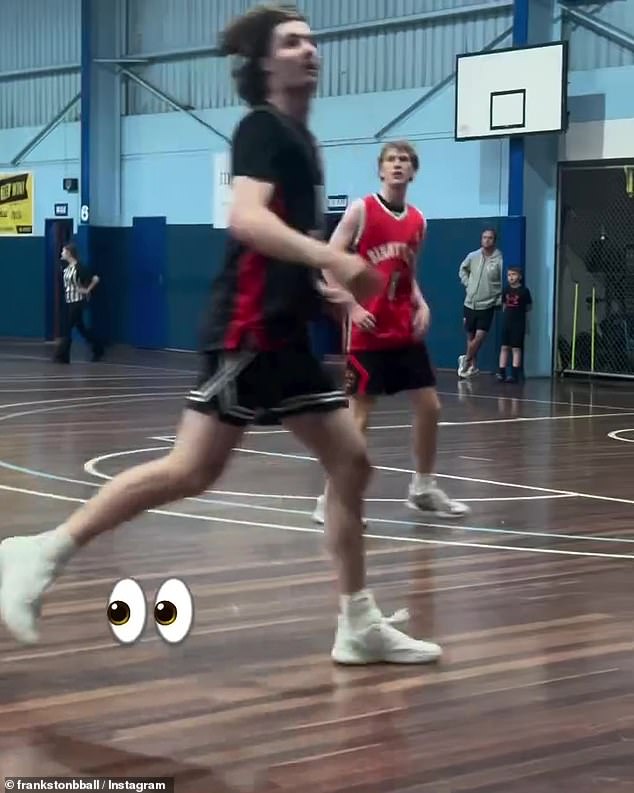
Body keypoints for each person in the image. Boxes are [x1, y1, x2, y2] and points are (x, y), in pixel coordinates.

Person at [0, 5, 440, 665]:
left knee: (351, 462)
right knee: (190, 470)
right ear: (265, 63)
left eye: (313, 40)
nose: (309, 50)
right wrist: (332, 260)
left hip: (287, 336)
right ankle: (38, 552)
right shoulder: (262, 130)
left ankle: (358, 622)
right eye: (293, 42)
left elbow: (281, 242)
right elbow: (245, 220)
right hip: (251, 332)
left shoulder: (301, 141)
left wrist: (326, 290)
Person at [312, 141, 469, 525]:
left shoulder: (418, 220)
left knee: (430, 407)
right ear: (380, 170)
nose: (398, 165)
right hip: (367, 331)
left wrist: (423, 303)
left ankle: (422, 488)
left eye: (404, 160)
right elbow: (328, 260)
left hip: (403, 330)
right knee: (358, 419)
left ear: (413, 172)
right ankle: (330, 500)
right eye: (391, 160)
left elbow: (406, 273)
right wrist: (349, 304)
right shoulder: (362, 211)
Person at [457, 229, 503, 378]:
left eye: (490, 238)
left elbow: (503, 282)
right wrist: (468, 284)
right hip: (470, 303)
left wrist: (498, 298)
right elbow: (462, 270)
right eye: (484, 237)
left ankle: (466, 359)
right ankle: (472, 367)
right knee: (470, 336)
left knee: (480, 336)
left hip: (488, 304)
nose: (487, 240)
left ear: (494, 241)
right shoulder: (473, 256)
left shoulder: (499, 259)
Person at [54, 242, 104, 363]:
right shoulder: (66, 268)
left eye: (63, 251)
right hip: (69, 301)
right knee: (81, 329)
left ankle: (62, 355)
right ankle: (98, 348)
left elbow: (95, 278)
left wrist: (87, 289)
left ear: (69, 253)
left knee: (67, 327)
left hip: (77, 301)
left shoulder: (79, 268)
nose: (61, 253)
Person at [497, 266, 532, 382]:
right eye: (509, 275)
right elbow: (503, 306)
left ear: (520, 276)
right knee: (504, 347)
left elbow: (528, 307)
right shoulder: (506, 290)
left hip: (518, 323)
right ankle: (502, 372)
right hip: (507, 322)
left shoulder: (524, 291)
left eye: (513, 274)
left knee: (516, 348)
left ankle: (514, 373)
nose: (511, 277)